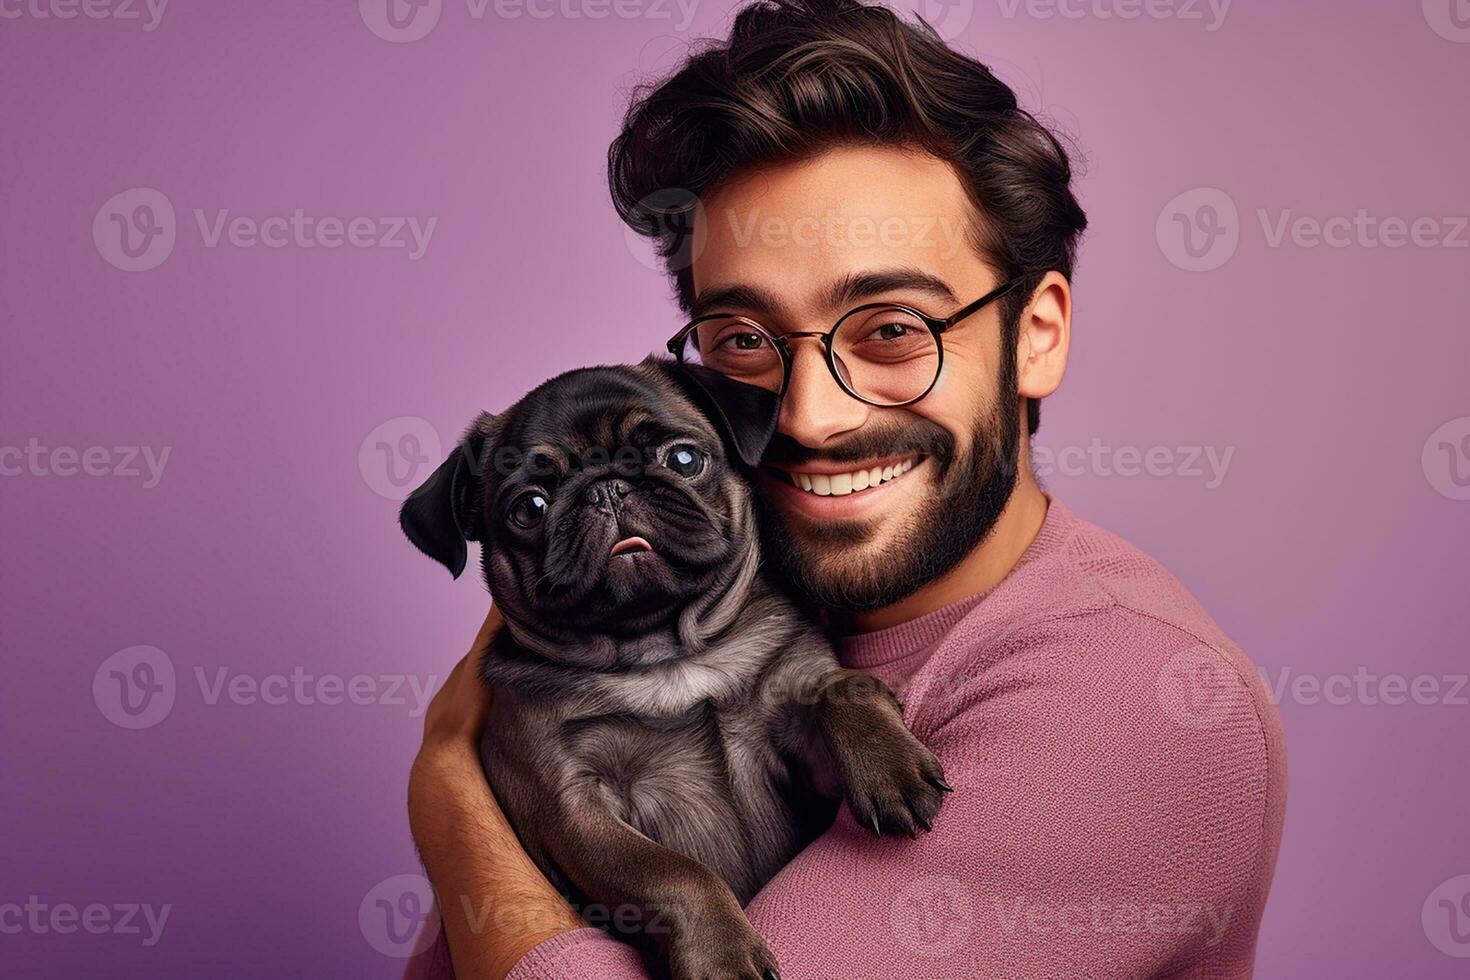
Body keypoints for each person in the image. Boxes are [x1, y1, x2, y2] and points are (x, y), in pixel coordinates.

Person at [404, 1, 1286, 976]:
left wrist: (450, 791)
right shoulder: (761, 596)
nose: (813, 413)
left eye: (894, 328)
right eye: (745, 341)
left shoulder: (1132, 695)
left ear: (1036, 333)